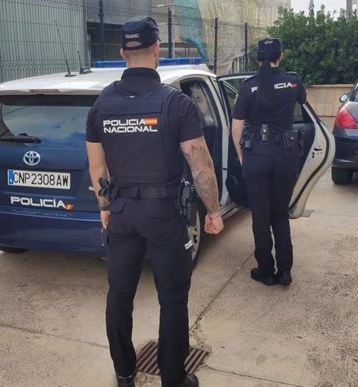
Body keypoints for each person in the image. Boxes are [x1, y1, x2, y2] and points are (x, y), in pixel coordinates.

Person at [85, 16, 224, 387]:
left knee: (120, 295)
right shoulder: (175, 104)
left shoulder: (101, 105)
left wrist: (104, 208)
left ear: (121, 53)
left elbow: (96, 166)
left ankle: (125, 373)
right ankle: (174, 379)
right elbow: (201, 165)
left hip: (123, 214)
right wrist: (212, 211)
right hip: (164, 215)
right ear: (157, 50)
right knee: (173, 297)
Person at [231, 38, 307, 287]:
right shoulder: (294, 81)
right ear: (281, 57)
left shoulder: (248, 86)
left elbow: (237, 126)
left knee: (261, 217)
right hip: (286, 155)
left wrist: (242, 156)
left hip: (257, 156)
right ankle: (285, 272)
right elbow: (303, 102)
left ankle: (265, 271)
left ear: (257, 60)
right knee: (280, 214)